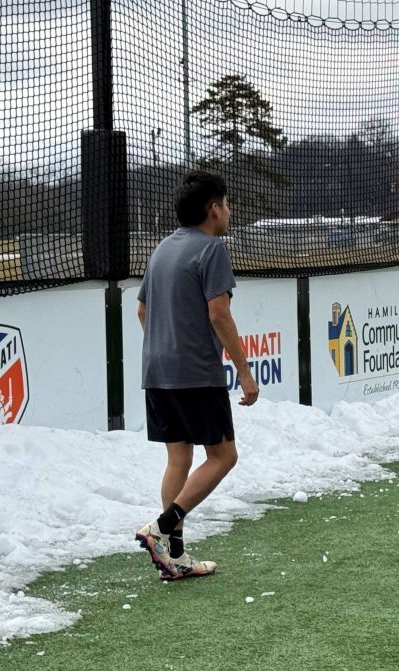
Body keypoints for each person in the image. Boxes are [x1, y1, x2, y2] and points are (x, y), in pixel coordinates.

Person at [134, 170, 259, 579]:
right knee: (224, 456)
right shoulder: (212, 248)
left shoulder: (162, 249)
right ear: (213, 208)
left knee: (179, 458)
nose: (229, 210)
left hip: (157, 370)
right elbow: (219, 314)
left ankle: (174, 558)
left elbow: (142, 311)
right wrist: (244, 371)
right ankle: (162, 528)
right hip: (195, 373)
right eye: (227, 203)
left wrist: (165, 347)